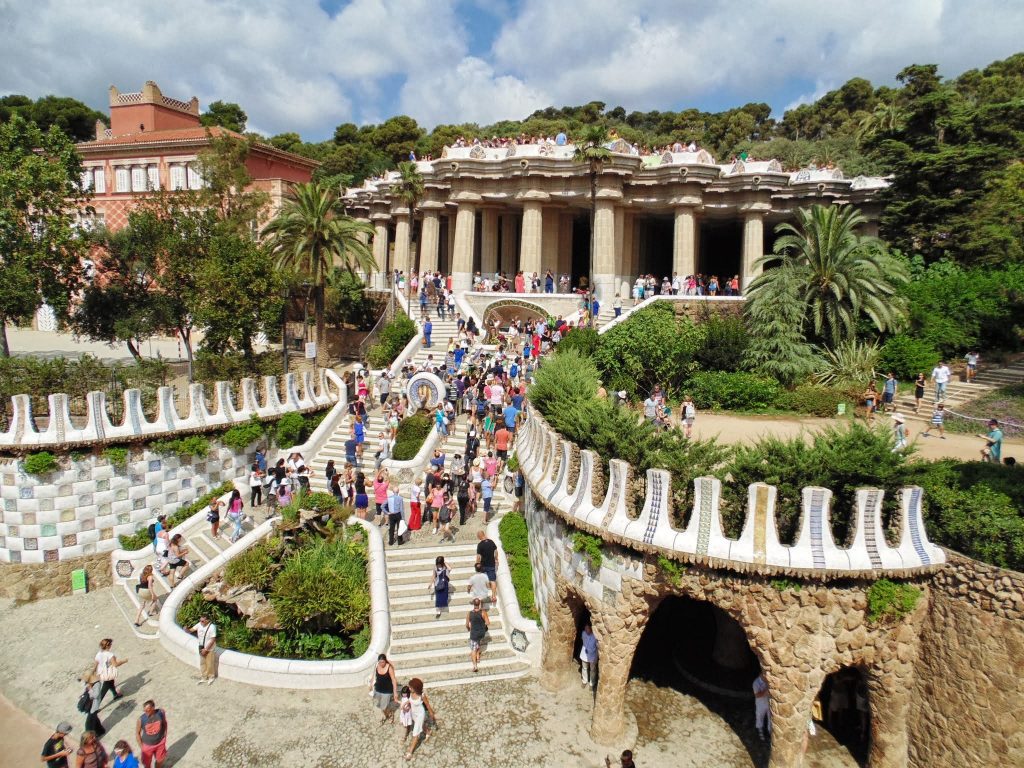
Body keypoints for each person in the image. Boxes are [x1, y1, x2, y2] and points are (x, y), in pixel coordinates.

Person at [404, 677, 437, 761]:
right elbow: (410, 700)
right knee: (421, 726)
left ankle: (410, 752)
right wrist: (406, 704)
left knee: (415, 733)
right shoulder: (411, 692)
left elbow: (428, 705)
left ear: (415, 688)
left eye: (411, 687)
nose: (409, 688)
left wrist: (431, 714)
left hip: (420, 714)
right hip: (413, 713)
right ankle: (428, 731)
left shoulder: (422, 695)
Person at [135, 700, 167, 768]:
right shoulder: (141, 719)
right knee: (146, 764)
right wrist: (142, 747)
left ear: (153, 708)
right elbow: (137, 733)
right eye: (145, 710)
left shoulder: (161, 713)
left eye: (148, 710)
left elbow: (164, 723)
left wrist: (165, 735)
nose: (146, 712)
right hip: (147, 746)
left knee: (160, 760)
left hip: (160, 743)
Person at [93, 639, 126, 705]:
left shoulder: (99, 653)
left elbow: (96, 664)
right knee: (103, 690)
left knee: (111, 683)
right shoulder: (110, 655)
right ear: (108, 646)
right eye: (110, 644)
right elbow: (115, 664)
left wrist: (94, 673)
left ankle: (115, 694)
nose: (111, 645)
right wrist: (124, 661)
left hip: (102, 673)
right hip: (108, 674)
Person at [369, 653, 398, 724]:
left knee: (383, 707)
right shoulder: (376, 665)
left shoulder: (389, 667)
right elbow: (374, 675)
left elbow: (394, 680)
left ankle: (389, 714)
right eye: (380, 662)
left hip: (387, 690)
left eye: (383, 662)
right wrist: (371, 684)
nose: (381, 664)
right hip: (378, 689)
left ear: (385, 661)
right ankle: (387, 714)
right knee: (382, 704)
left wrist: (395, 692)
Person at [188, 615, 217, 684]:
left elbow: (213, 639)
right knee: (202, 663)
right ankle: (204, 677)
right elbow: (191, 630)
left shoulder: (212, 627)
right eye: (200, 620)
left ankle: (211, 677)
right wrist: (187, 629)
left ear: (207, 620)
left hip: (209, 648)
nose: (201, 622)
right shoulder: (199, 624)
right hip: (201, 646)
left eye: (203, 621)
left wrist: (206, 649)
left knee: (209, 663)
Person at [466, 597, 490, 672]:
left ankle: (475, 666)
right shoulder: (483, 612)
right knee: (478, 642)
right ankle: (478, 657)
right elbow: (488, 622)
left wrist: (469, 629)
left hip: (474, 633)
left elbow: (467, 624)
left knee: (473, 649)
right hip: (481, 633)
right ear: (479, 603)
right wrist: (483, 625)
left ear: (473, 604)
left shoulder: (469, 613)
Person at [80, 672, 106, 738]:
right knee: (94, 718)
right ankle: (100, 731)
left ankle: (89, 737)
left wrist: (90, 690)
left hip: (93, 705)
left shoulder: (97, 684)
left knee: (89, 723)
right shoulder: (89, 684)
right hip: (90, 705)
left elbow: (96, 695)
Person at [475, 530, 498, 603]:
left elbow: (478, 556)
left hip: (483, 566)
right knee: (493, 581)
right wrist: (496, 559)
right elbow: (496, 551)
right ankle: (494, 596)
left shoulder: (480, 545)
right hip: (491, 564)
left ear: (479, 536)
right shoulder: (491, 542)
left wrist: (477, 563)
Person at [579, 622, 598, 689]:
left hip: (592, 655)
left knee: (592, 670)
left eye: (588, 629)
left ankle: (592, 683)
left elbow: (597, 647)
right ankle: (584, 681)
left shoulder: (595, 636)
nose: (586, 630)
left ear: (591, 628)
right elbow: (582, 639)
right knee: (584, 668)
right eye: (585, 628)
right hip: (584, 654)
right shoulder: (583, 633)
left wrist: (596, 657)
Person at [753, 673, 771, 741]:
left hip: (769, 702)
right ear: (763, 675)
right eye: (767, 676)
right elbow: (757, 695)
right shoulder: (756, 683)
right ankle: (760, 731)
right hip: (761, 704)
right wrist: (765, 692)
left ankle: (770, 733)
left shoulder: (768, 681)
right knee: (760, 716)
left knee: (770, 718)